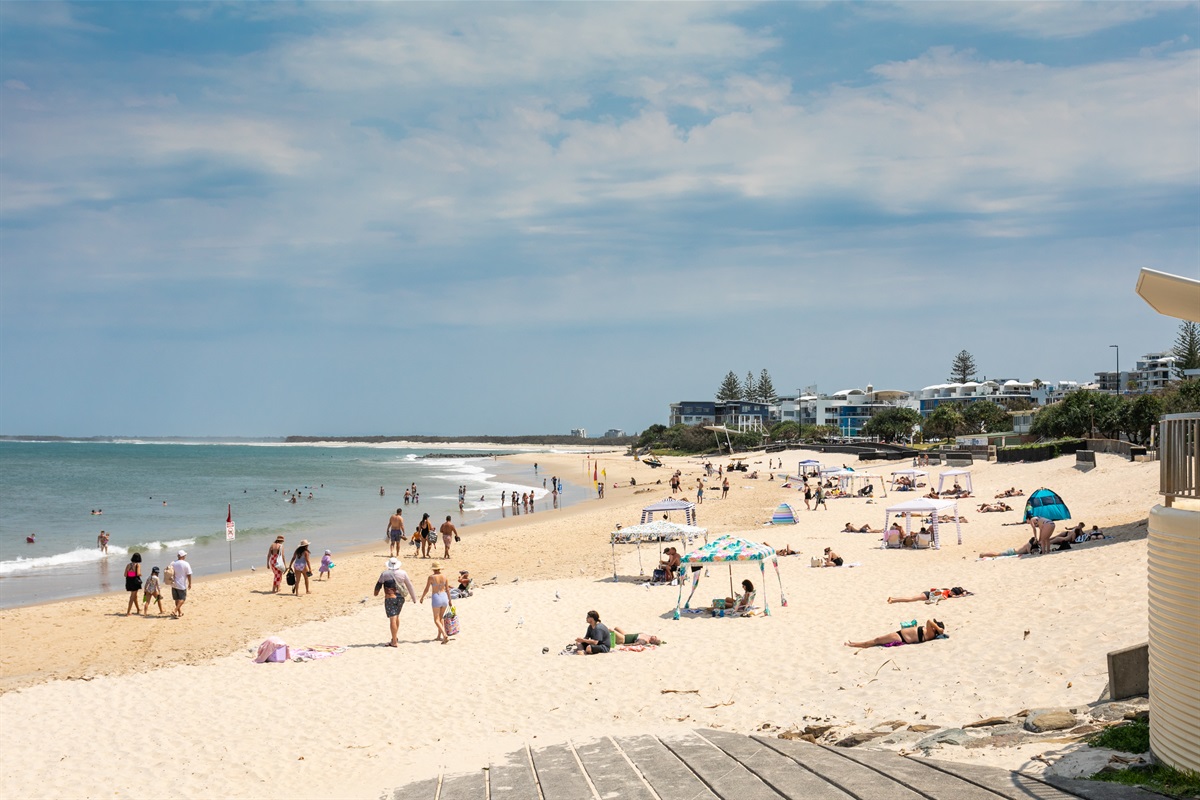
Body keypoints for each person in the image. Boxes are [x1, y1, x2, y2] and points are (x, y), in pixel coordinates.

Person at [373, 558, 419, 648]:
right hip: (400, 598)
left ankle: (394, 641)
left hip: (390, 598)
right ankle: (394, 638)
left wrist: (376, 593)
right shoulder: (403, 573)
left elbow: (378, 584)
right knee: (397, 616)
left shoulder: (384, 574)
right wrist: (414, 598)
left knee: (392, 619)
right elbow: (409, 585)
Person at [845, 619, 946, 648]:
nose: (933, 625)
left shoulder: (931, 634)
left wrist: (938, 629)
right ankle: (854, 643)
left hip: (901, 637)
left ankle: (854, 644)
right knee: (877, 639)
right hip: (900, 634)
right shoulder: (929, 631)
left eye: (935, 625)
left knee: (877, 640)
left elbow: (928, 621)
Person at [419, 562, 453, 644]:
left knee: (436, 619)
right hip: (444, 596)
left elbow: (426, 589)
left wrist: (422, 597)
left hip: (436, 597)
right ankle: (439, 636)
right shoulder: (444, 576)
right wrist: (450, 600)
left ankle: (444, 635)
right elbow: (447, 589)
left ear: (433, 569)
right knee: (441, 618)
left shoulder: (431, 577)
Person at [169, 550, 192, 618]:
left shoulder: (173, 563)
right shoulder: (186, 564)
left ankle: (179, 613)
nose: (185, 556)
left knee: (177, 599)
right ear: (182, 556)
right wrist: (190, 583)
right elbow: (189, 574)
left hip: (173, 584)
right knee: (182, 599)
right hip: (181, 584)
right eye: (184, 555)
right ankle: (175, 610)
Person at [888, 587, 972, 603]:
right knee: (911, 598)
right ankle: (894, 600)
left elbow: (958, 596)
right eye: (952, 592)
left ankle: (894, 598)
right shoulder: (946, 592)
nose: (951, 593)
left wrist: (962, 594)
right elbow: (934, 591)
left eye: (953, 593)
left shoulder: (946, 592)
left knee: (911, 598)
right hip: (927, 595)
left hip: (928, 594)